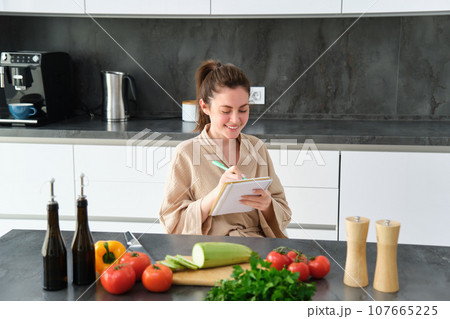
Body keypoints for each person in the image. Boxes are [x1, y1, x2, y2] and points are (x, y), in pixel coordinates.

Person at [159, 60, 291, 238]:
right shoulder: (186, 153)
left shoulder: (257, 148)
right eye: (226, 111)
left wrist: (268, 205)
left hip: (257, 248)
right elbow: (172, 223)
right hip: (210, 251)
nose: (235, 120)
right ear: (205, 107)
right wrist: (215, 195)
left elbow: (284, 211)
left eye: (243, 110)